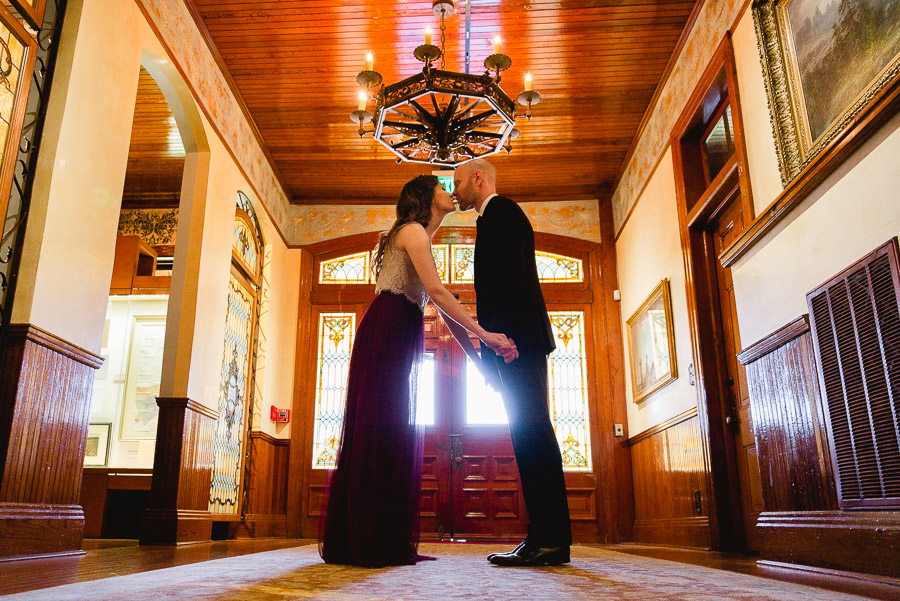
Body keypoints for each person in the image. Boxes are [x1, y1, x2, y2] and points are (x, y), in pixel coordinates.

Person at [319, 174, 517, 568]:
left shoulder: (420, 236)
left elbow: (441, 306)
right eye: (443, 188)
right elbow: (441, 295)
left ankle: (384, 538)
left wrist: (478, 357)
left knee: (392, 428)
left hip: (400, 330)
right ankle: (367, 540)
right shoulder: (412, 231)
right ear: (426, 198)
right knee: (381, 428)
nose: (450, 192)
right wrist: (488, 334)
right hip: (387, 331)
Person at [452, 158, 572, 567]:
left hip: (517, 342)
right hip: (513, 341)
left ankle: (551, 541)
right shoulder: (492, 218)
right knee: (528, 436)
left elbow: (509, 280)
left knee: (533, 434)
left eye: (458, 182)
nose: (455, 190)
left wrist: (502, 341)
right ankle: (542, 535)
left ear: (478, 179)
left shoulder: (503, 212)